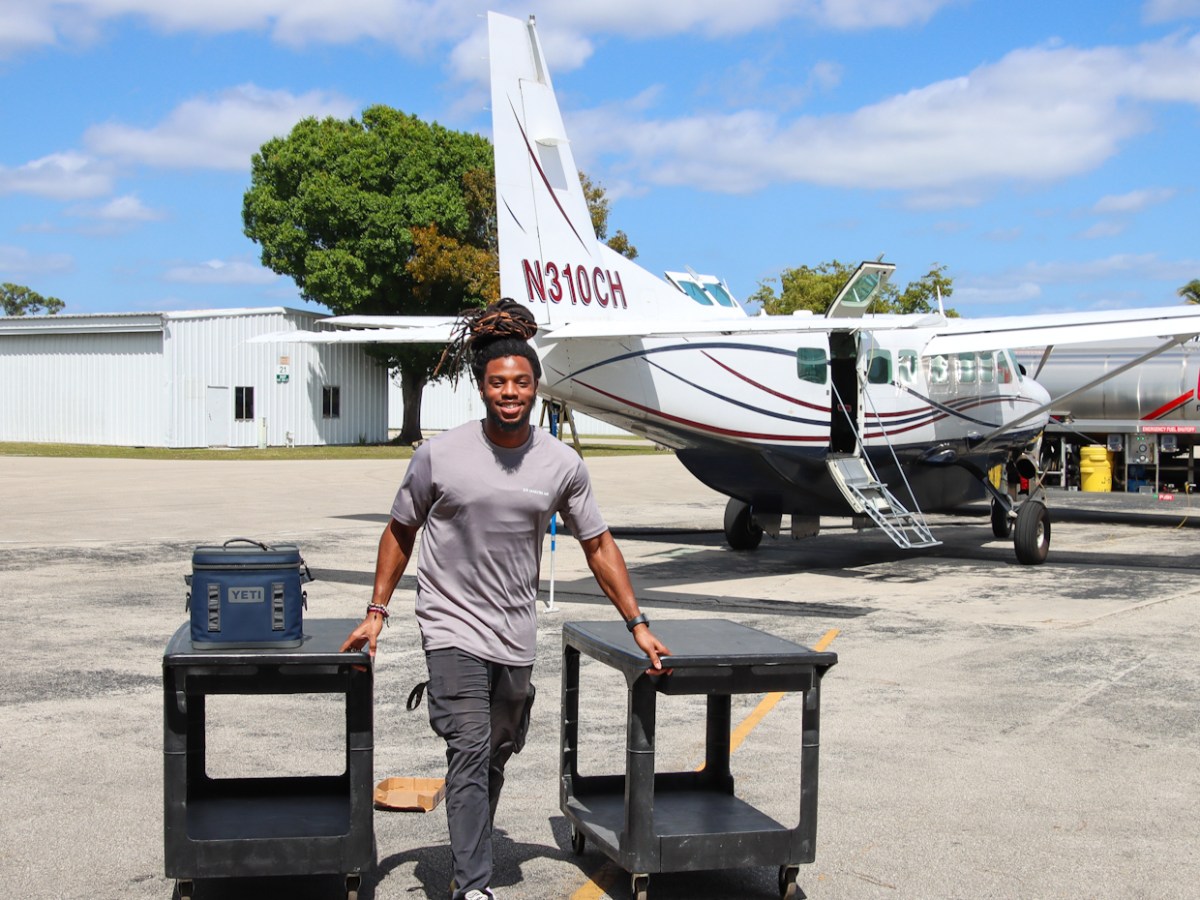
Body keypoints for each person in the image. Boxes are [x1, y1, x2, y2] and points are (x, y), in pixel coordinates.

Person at [341, 299, 670, 900]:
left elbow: (598, 545)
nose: (510, 392)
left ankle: (469, 839)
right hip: (449, 627)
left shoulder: (562, 462)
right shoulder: (438, 454)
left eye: (520, 381)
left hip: (515, 633)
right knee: (468, 746)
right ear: (481, 388)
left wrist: (637, 623)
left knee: (496, 748)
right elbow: (400, 530)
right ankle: (473, 885)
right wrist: (376, 612)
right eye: (498, 383)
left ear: (536, 387)